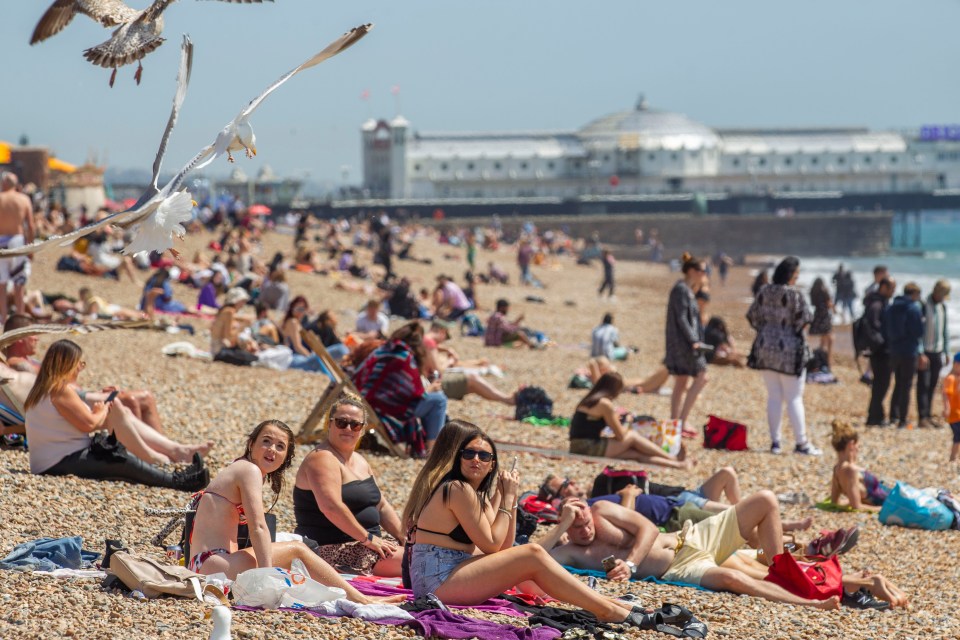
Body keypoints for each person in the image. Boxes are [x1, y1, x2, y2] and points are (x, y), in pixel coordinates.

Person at [403, 423, 665, 629]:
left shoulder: (471, 494)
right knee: (533, 554)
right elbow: (492, 545)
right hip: (436, 583)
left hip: (446, 575)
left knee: (528, 557)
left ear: (492, 464)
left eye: (484, 455)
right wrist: (506, 497)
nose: (476, 460)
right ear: (458, 457)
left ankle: (612, 605)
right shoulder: (457, 489)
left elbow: (503, 548)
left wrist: (510, 497)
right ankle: (609, 610)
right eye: (469, 453)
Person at [544, 494, 907, 609]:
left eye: (583, 518)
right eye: (574, 526)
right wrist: (561, 526)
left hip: (691, 537)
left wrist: (631, 562)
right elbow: (533, 557)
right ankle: (814, 601)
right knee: (736, 577)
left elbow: (649, 528)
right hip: (678, 568)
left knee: (764, 501)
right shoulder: (573, 551)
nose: (584, 527)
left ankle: (800, 572)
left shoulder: (605, 511)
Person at [187, 419, 404, 605]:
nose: (272, 449)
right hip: (214, 567)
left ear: (285, 457)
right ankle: (363, 600)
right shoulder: (249, 470)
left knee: (293, 555)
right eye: (266, 441)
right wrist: (266, 576)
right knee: (297, 550)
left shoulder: (241, 468)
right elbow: (258, 526)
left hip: (205, 563)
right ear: (251, 444)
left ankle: (354, 596)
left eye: (280, 446)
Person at [24, 339, 209, 490]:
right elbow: (88, 424)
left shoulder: (44, 389)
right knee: (119, 458)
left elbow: (73, 420)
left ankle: (166, 463)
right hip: (59, 461)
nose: (81, 368)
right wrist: (103, 409)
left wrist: (105, 402)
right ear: (66, 364)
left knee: (117, 448)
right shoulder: (59, 389)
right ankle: (177, 481)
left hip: (53, 459)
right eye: (79, 363)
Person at [293, 396, 403, 576]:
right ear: (329, 424)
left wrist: (403, 537)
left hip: (367, 544)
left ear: (363, 429)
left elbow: (381, 505)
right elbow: (331, 507)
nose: (348, 429)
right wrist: (368, 538)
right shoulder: (322, 458)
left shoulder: (359, 460)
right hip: (335, 548)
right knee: (419, 565)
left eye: (355, 425)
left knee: (426, 555)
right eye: (341, 422)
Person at [747, 257, 820, 455]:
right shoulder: (794, 294)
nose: (797, 278)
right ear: (790, 275)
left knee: (774, 396)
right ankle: (801, 443)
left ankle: (776, 443)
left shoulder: (764, 291)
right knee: (794, 396)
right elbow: (805, 319)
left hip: (765, 347)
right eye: (796, 275)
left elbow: (752, 315)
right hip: (789, 350)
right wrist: (788, 331)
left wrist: (767, 330)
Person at [352, 321, 447, 455]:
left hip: (367, 401)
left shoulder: (383, 350)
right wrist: (430, 389)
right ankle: (433, 451)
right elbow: (412, 395)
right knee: (438, 400)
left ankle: (431, 445)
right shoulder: (403, 357)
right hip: (385, 409)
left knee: (433, 401)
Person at [569, 372, 692, 469]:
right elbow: (621, 436)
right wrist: (627, 421)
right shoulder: (604, 403)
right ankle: (672, 458)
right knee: (632, 436)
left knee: (635, 454)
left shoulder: (588, 399)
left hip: (577, 446)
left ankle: (678, 465)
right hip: (588, 447)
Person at [422, 320, 515, 406]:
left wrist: (447, 350)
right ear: (442, 331)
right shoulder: (430, 343)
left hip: (428, 382)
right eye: (445, 337)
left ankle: (505, 399)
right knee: (472, 379)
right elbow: (439, 371)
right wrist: (449, 362)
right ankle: (506, 399)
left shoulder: (423, 339)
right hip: (433, 384)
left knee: (472, 385)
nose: (443, 341)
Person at [664, 256, 709, 431]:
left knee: (682, 380)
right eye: (702, 270)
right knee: (702, 376)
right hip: (684, 343)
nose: (704, 274)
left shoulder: (687, 289)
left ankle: (675, 422)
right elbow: (682, 318)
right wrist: (694, 340)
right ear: (691, 271)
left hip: (683, 342)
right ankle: (681, 420)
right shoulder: (681, 290)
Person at [884, 282, 924, 429]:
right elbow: (919, 332)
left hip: (894, 350)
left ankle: (893, 415)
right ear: (913, 294)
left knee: (897, 382)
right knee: (906, 386)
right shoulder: (913, 308)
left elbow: (885, 327)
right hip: (909, 351)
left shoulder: (891, 307)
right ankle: (902, 419)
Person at [829, 420, 890, 512]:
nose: (858, 449)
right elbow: (856, 506)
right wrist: (883, 509)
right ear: (851, 444)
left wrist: (850, 501)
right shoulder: (850, 470)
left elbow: (835, 502)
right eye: (857, 445)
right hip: (891, 501)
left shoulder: (837, 469)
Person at [0, 172, 36, 322]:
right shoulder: (23, 199)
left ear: (4, 183)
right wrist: (31, 247)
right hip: (17, 240)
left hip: (1, 240)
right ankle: (20, 317)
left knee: (1, 283)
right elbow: (31, 226)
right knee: (19, 283)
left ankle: (3, 318)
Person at [917, 279, 951, 428]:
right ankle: (922, 417)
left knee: (932, 385)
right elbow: (918, 332)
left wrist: (947, 350)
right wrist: (920, 353)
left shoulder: (942, 307)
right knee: (923, 384)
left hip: (937, 351)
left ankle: (929, 416)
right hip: (925, 351)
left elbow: (945, 331)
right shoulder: (923, 306)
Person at [863, 278, 896, 426]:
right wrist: (882, 344)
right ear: (884, 287)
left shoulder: (880, 302)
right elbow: (873, 328)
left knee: (881, 384)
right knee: (881, 384)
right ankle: (875, 417)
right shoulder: (876, 304)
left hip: (881, 351)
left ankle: (876, 415)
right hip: (881, 352)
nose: (893, 292)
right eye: (892, 288)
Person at [281, 296, 330, 374]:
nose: (300, 312)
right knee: (318, 360)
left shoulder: (298, 323)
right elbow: (297, 346)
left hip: (297, 357)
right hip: (294, 358)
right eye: (297, 308)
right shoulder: (292, 322)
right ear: (292, 308)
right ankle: (334, 380)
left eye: (302, 309)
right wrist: (310, 356)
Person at [210, 287, 259, 366]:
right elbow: (229, 336)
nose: (243, 304)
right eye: (242, 301)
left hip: (216, 348)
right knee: (253, 360)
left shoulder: (225, 310)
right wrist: (242, 327)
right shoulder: (229, 312)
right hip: (219, 351)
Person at [808, 277, 834, 366]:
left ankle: (821, 357)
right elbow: (829, 304)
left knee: (823, 338)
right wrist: (835, 310)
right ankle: (828, 358)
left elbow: (812, 304)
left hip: (818, 314)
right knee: (829, 338)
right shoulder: (824, 291)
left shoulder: (813, 293)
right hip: (825, 315)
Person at [943, 353, 960, 462]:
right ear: (956, 364)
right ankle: (952, 458)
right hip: (954, 414)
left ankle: (954, 458)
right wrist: (946, 408)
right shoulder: (950, 378)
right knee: (957, 436)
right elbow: (945, 394)